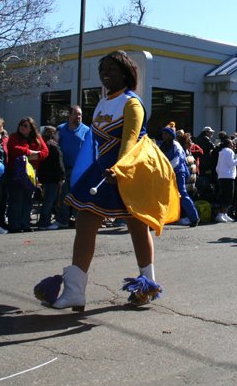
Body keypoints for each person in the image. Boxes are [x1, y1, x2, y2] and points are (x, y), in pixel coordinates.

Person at [38, 51, 165, 311]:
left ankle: (147, 285)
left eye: (112, 69)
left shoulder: (132, 103)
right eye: (103, 68)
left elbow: (130, 139)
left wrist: (119, 168)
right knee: (84, 224)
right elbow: (93, 143)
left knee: (137, 228)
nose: (106, 73)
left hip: (127, 172)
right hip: (102, 172)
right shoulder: (102, 102)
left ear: (126, 73)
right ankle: (74, 291)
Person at [6, 117, 48, 233]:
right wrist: (30, 152)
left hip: (31, 175)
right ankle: (15, 225)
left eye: (25, 126)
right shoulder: (14, 137)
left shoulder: (37, 139)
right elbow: (13, 149)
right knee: (16, 199)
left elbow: (45, 152)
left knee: (28, 200)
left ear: (31, 128)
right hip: (17, 173)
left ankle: (25, 224)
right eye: (21, 125)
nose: (22, 127)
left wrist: (34, 156)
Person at [57, 106, 90, 228]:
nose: (78, 117)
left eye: (80, 115)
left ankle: (78, 219)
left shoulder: (87, 131)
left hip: (80, 169)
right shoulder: (61, 129)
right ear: (69, 115)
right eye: (76, 114)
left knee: (78, 195)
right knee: (63, 195)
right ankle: (62, 220)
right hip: (64, 169)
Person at [160, 122, 198, 226]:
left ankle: (194, 218)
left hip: (178, 173)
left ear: (171, 135)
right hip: (168, 173)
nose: (163, 136)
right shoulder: (163, 146)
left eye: (166, 134)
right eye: (163, 134)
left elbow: (177, 160)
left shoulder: (176, 145)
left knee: (182, 194)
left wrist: (165, 168)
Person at [37, 126, 65, 230]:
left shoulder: (44, 147)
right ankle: (44, 222)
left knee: (47, 199)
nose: (59, 136)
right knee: (49, 200)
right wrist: (62, 176)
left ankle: (44, 220)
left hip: (45, 178)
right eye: (57, 134)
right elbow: (59, 163)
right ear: (53, 135)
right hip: (53, 179)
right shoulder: (54, 147)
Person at [215, 138, 237, 223]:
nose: (233, 146)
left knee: (224, 194)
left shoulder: (221, 152)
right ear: (229, 145)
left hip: (222, 175)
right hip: (228, 176)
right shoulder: (229, 151)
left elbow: (218, 166)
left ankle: (224, 213)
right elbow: (231, 163)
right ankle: (221, 213)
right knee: (228, 195)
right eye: (232, 144)